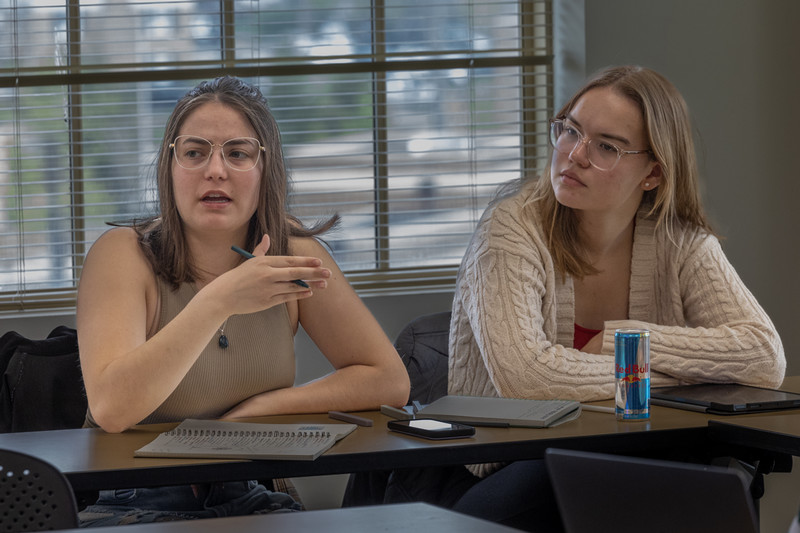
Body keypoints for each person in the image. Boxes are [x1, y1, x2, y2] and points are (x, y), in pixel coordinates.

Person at [345, 65, 786, 532]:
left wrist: (618, 343)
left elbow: (763, 356)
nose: (574, 155)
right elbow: (528, 380)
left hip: (622, 455)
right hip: (495, 466)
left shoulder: (681, 241)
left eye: (606, 146)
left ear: (653, 172)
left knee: (717, 474)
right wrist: (668, 374)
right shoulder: (511, 229)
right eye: (571, 130)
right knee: (592, 478)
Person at [76, 75, 410, 526]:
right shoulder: (122, 253)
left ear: (264, 169)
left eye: (237, 153)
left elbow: (388, 379)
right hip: (130, 498)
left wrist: (263, 409)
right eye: (195, 152)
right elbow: (112, 409)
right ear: (170, 166)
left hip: (250, 492)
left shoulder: (292, 253)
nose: (216, 170)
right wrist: (219, 301)